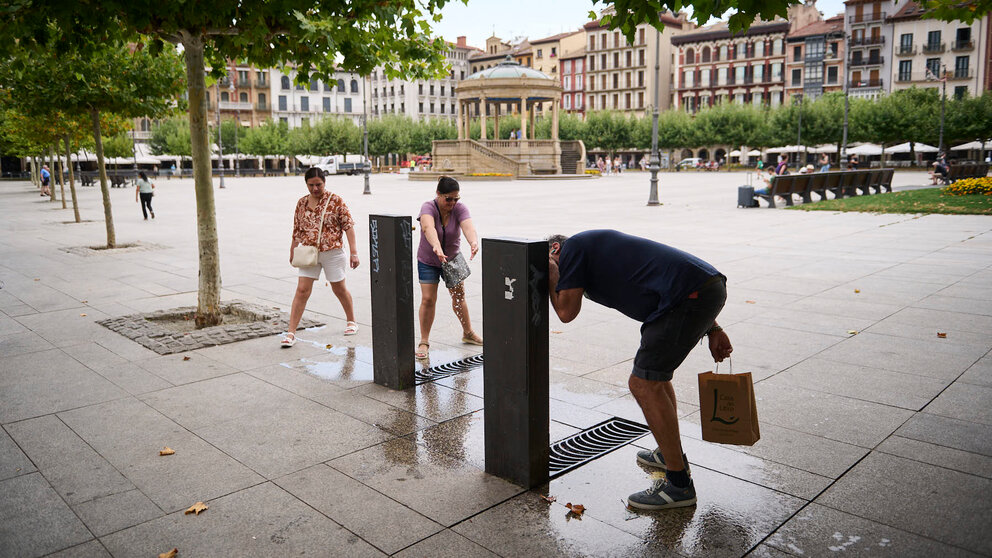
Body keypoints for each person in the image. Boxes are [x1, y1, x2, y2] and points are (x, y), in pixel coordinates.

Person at [548, 230, 732, 510]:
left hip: (689, 296)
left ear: (555, 248)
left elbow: (565, 312)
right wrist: (714, 327)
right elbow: (669, 273)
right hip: (701, 287)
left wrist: (550, 273)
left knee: (644, 383)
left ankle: (679, 486)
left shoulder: (571, 250)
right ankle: (669, 455)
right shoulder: (591, 249)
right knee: (656, 378)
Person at [281, 168, 360, 347]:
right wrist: (293, 249)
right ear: (306, 184)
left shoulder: (336, 201)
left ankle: (351, 321)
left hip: (333, 252)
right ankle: (290, 333)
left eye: (319, 184)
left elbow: (348, 226)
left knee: (339, 288)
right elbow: (297, 229)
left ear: (325, 182)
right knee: (302, 290)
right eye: (311, 185)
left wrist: (354, 253)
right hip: (309, 252)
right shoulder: (301, 203)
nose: (315, 188)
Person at [415, 176, 482, 359]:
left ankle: (467, 332)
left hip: (452, 259)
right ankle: (424, 341)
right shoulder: (428, 207)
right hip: (429, 259)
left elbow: (468, 227)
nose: (452, 203)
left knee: (459, 296)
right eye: (448, 199)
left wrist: (473, 242)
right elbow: (428, 227)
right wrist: (436, 246)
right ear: (438, 194)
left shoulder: (460, 208)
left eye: (456, 199)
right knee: (428, 299)